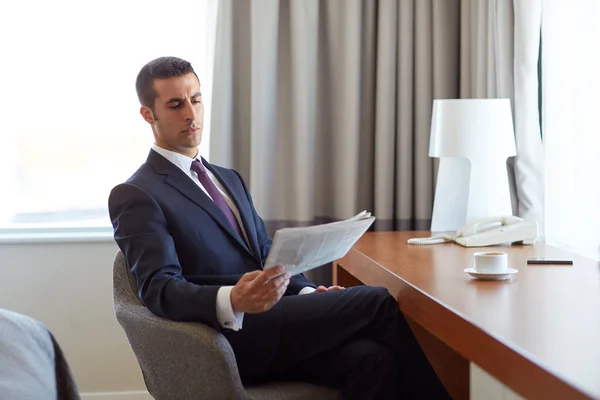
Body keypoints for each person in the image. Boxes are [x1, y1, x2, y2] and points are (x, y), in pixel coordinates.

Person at [108, 56, 448, 399]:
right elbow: (159, 290)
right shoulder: (137, 194)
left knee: (374, 360)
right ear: (148, 114)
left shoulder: (227, 178)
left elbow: (266, 254)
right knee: (375, 302)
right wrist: (233, 299)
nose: (191, 114)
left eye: (196, 99)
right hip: (225, 340)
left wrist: (307, 293)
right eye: (175, 104)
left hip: (277, 324)